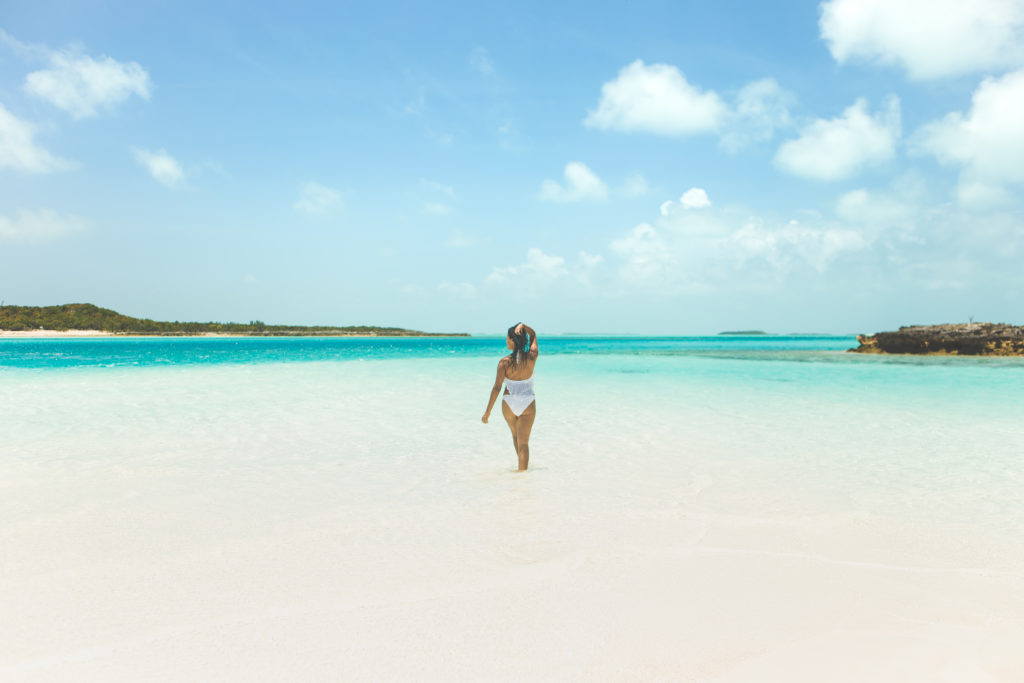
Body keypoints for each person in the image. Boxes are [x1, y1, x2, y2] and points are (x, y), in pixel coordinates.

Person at [481, 322, 538, 471]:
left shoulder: (504, 362)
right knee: (524, 443)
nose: (506, 341)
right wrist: (524, 326)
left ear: (513, 340)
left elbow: (496, 388)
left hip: (509, 403)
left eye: (508, 338)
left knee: (515, 436)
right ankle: (523, 477)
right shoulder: (532, 357)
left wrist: (488, 411)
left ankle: (519, 475)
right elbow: (533, 335)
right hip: (528, 402)